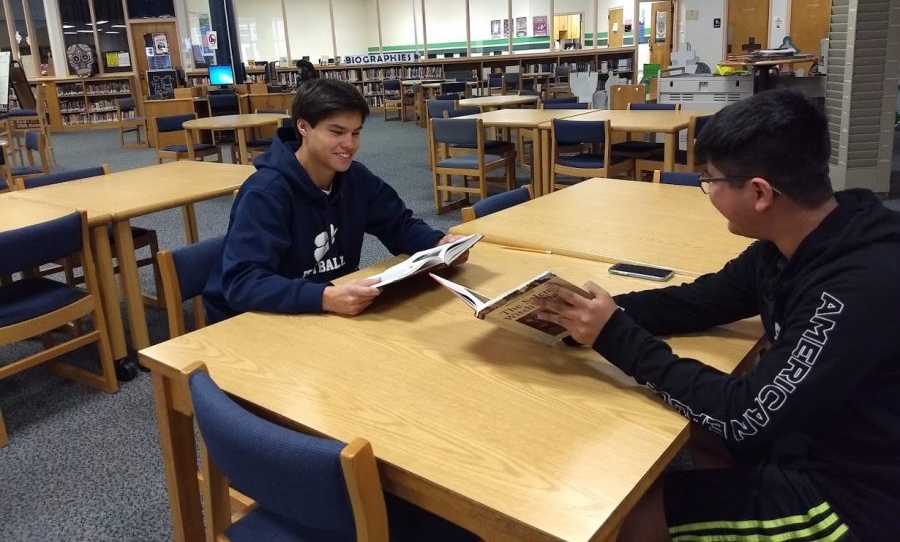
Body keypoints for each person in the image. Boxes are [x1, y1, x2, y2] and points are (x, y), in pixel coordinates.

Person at [535, 91, 900, 541]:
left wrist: (616, 336)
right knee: (682, 431)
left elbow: (745, 413)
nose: (706, 190)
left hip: (853, 496)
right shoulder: (797, 241)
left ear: (760, 192)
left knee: (629, 519)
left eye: (710, 180)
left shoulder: (857, 284)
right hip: (802, 435)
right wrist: (585, 316)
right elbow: (700, 300)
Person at [204, 78, 466, 321]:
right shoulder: (266, 192)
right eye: (337, 132)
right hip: (253, 319)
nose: (350, 144)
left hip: (321, 311)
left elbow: (398, 225)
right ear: (303, 127)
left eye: (355, 133)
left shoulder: (355, 178)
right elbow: (242, 283)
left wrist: (438, 244)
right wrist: (323, 297)